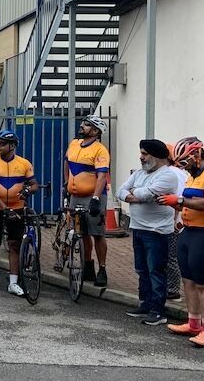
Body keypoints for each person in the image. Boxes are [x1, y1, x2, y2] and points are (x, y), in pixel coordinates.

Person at [159, 137, 204, 348]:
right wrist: (174, 204)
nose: (182, 166)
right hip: (189, 230)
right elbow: (190, 203)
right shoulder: (192, 177)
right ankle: (193, 323)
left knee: (203, 283)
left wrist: (180, 200)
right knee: (188, 280)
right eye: (179, 163)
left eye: (184, 162)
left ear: (197, 155)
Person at [117, 139, 180, 326]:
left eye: (145, 154)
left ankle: (158, 311)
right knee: (142, 269)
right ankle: (145, 304)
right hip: (137, 227)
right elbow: (120, 191)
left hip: (157, 230)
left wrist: (134, 193)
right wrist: (136, 195)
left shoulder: (168, 175)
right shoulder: (139, 173)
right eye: (141, 153)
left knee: (156, 270)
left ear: (157, 156)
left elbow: (147, 194)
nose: (141, 157)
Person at [0, 130, 38, 297]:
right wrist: (4, 207)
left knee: (14, 244)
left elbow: (34, 184)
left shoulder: (24, 163)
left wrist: (28, 190)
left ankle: (13, 282)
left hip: (17, 207)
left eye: (2, 143)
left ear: (12, 146)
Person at [64, 114, 111, 288]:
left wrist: (96, 198)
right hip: (75, 196)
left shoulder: (100, 150)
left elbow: (101, 176)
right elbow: (67, 163)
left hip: (92, 196)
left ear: (96, 131)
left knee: (97, 234)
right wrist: (66, 183)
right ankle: (88, 266)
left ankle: (102, 270)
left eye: (87, 124)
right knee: (81, 232)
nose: (82, 126)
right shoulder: (74, 144)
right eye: (83, 123)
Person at [164, 143, 189, 301]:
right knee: (169, 255)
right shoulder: (178, 172)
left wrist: (174, 220)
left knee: (170, 256)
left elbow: (178, 198)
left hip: (173, 221)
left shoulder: (173, 173)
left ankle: (172, 291)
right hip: (174, 219)